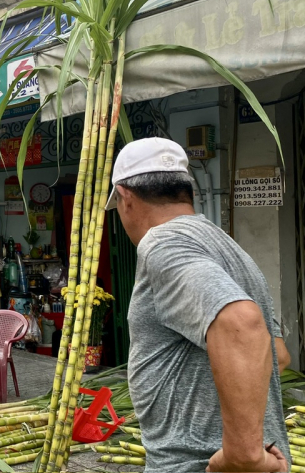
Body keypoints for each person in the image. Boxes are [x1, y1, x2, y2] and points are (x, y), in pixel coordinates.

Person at [106, 137, 289, 473]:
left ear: (125, 197)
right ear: (186, 192)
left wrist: (242, 456)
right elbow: (277, 354)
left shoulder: (163, 244)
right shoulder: (229, 248)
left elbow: (242, 325)